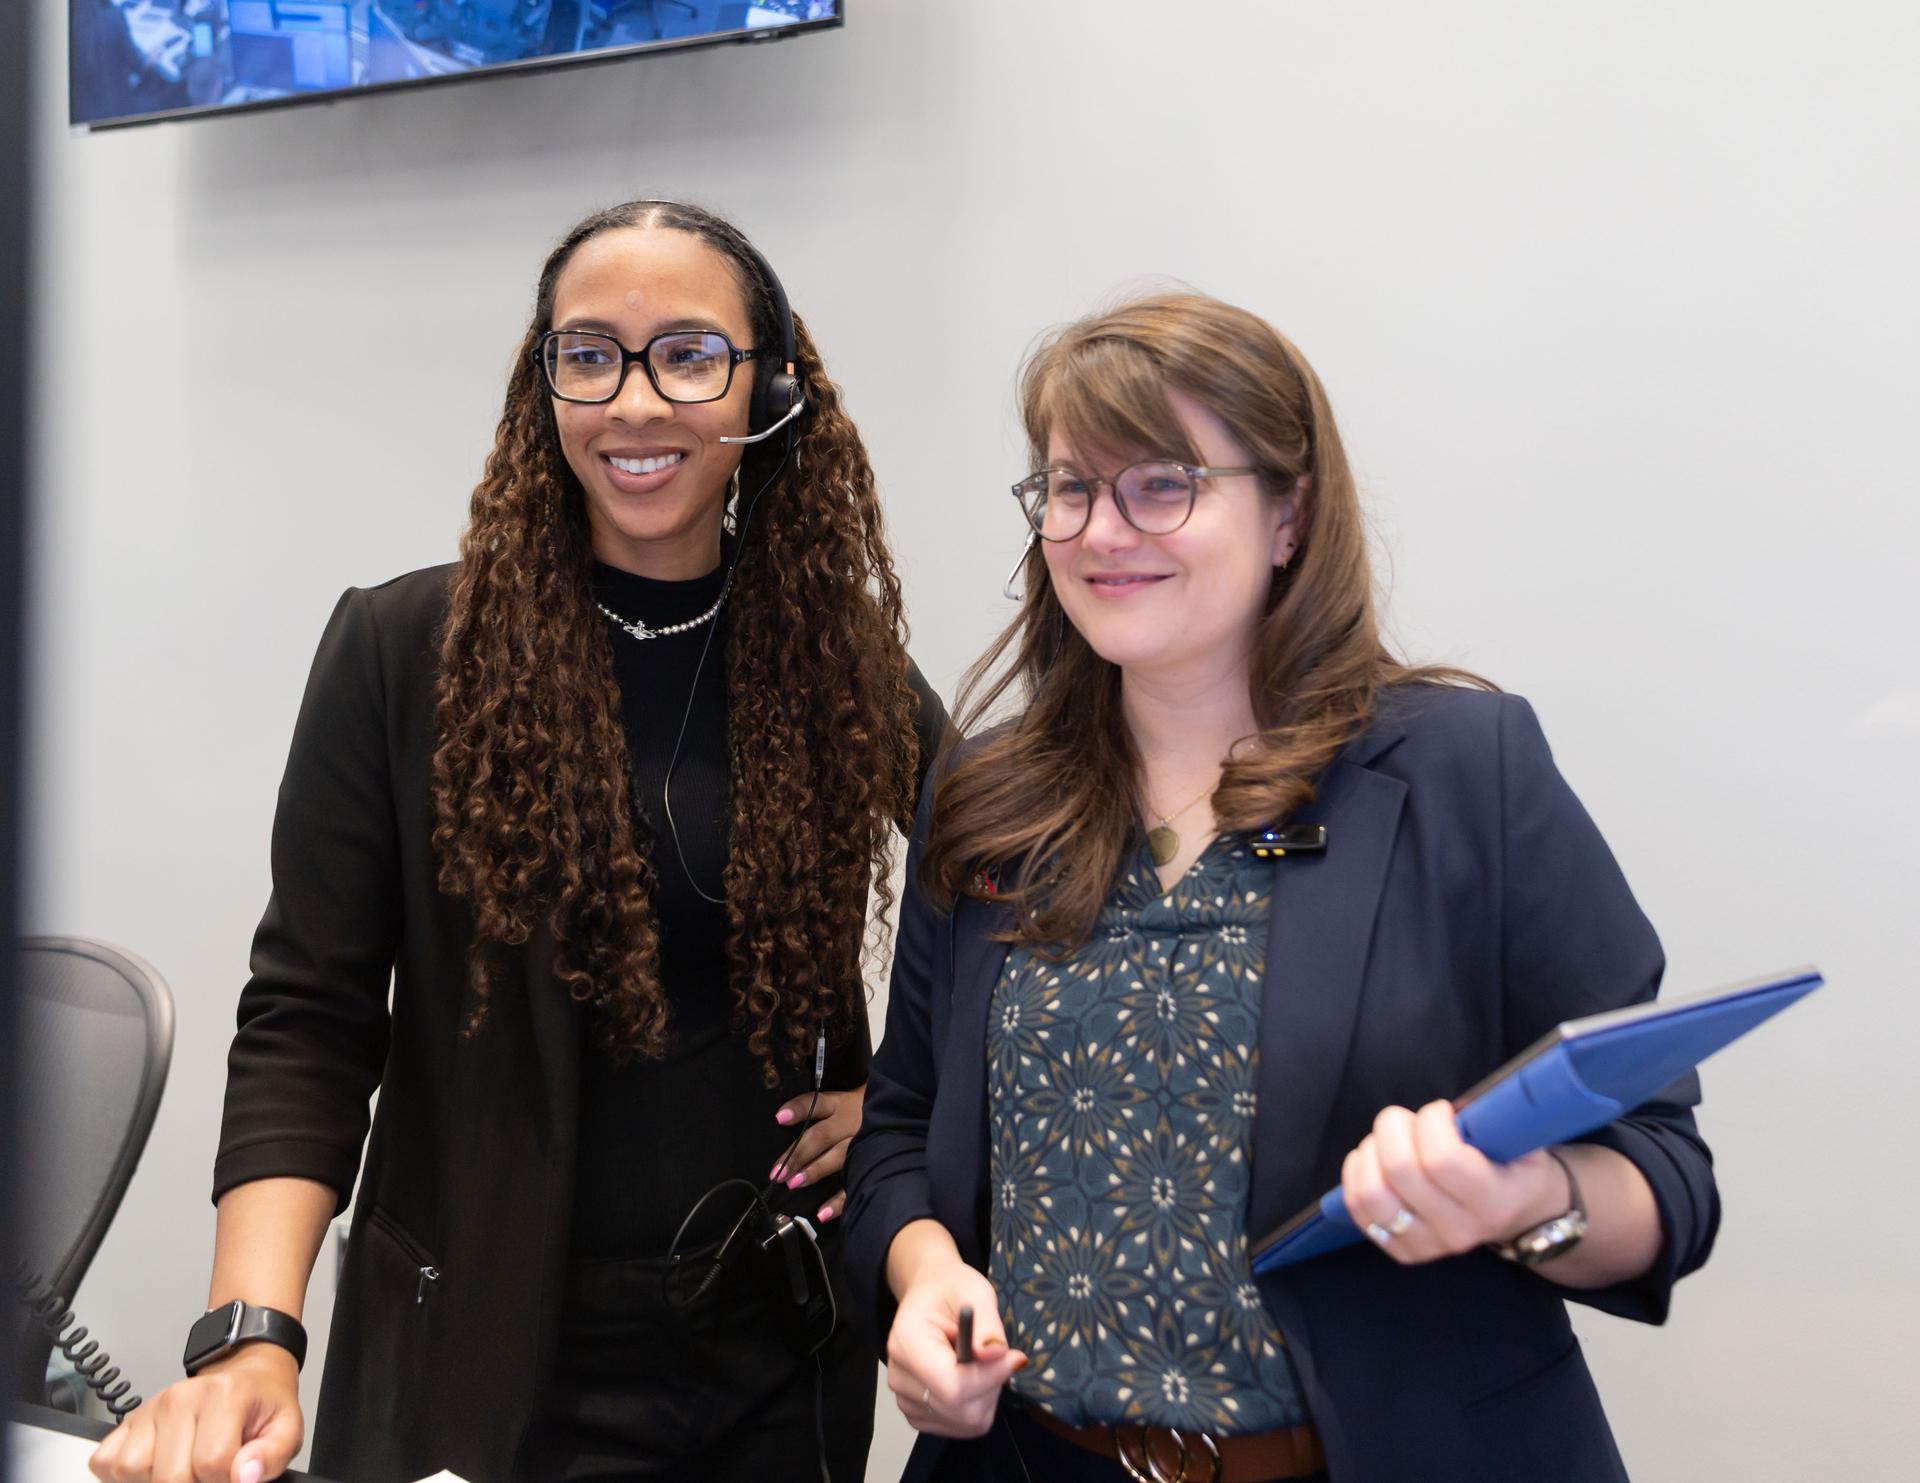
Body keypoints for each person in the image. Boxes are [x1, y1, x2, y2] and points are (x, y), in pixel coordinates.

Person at [91, 200, 943, 1483]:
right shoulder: (403, 654)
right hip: (471, 1360)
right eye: (589, 354)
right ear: (543, 387)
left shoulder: (831, 658)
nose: (635, 401)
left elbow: (1015, 890)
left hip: (770, 1359)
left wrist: (907, 1116)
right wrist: (250, 1336)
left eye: (690, 355)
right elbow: (307, 1022)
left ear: (768, 389)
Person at [842, 293, 1716, 1482]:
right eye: (1069, 488)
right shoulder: (989, 792)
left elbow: (1662, 1168)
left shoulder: (1465, 770)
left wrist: (1523, 1198)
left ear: (1289, 514)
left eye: (1162, 484)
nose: (1102, 530)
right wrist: (925, 1272)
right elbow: (901, 1125)